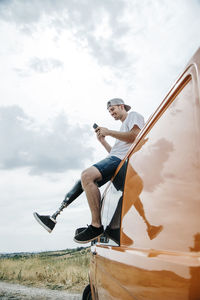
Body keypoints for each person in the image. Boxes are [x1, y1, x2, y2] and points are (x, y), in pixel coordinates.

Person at [34, 98, 145, 244]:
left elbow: (135, 136)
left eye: (113, 109)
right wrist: (103, 141)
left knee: (86, 175)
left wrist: (109, 132)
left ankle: (96, 226)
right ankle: (53, 217)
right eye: (109, 111)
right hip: (116, 160)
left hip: (120, 161)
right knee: (83, 181)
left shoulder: (133, 116)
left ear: (122, 106)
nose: (111, 113)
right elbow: (115, 152)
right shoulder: (123, 126)